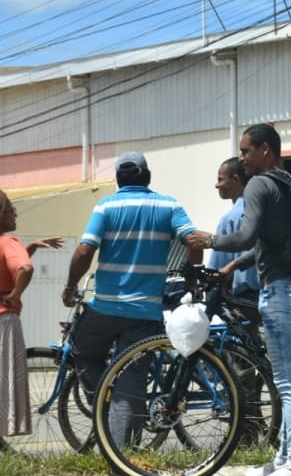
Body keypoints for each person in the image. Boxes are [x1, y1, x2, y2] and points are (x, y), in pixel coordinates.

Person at [186, 123, 291, 476]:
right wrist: (232, 265)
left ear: (266, 150)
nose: (242, 158)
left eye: (246, 151)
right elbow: (266, 244)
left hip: (282, 293)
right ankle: (283, 457)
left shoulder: (261, 183)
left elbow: (246, 236)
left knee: (289, 381)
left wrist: (211, 242)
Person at [64, 151, 202, 447]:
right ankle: (122, 454)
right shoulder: (169, 205)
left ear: (117, 180)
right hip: (146, 312)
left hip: (105, 308)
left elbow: (85, 251)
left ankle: (104, 393)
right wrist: (191, 276)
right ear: (148, 177)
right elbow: (193, 240)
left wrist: (69, 286)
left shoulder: (106, 206)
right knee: (131, 379)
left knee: (81, 349)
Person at [0, 191, 39, 439]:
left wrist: (31, 248)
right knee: (6, 378)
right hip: (4, 319)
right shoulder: (8, 242)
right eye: (12, 210)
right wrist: (15, 294)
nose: (15, 215)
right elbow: (23, 267)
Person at [208, 157, 261, 327]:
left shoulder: (230, 219)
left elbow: (216, 270)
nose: (216, 185)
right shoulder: (263, 210)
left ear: (236, 180)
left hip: (245, 301)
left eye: (220, 179)